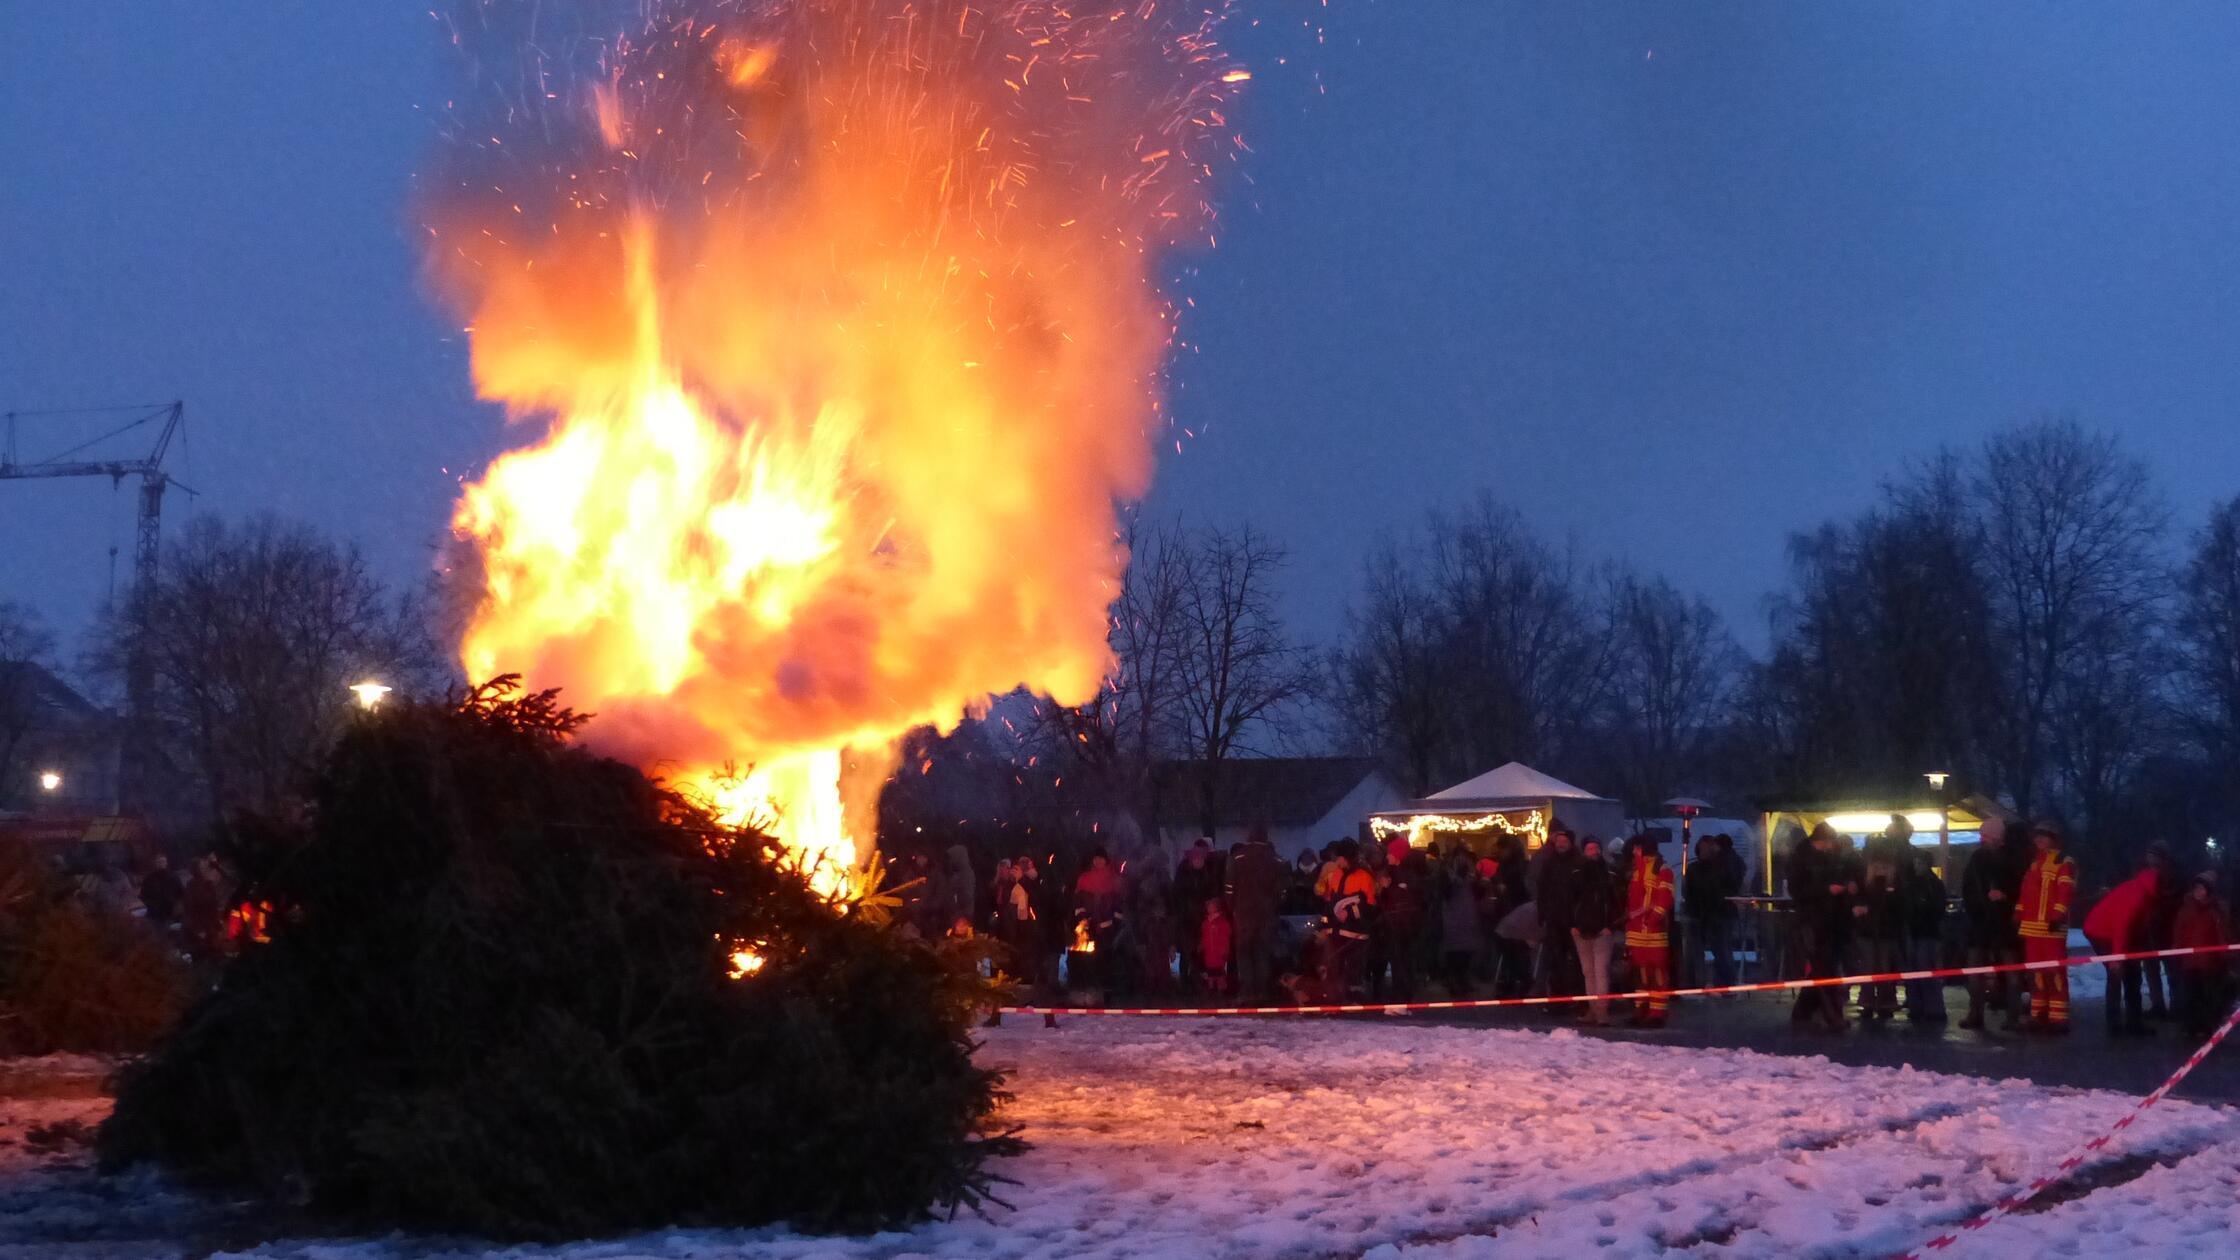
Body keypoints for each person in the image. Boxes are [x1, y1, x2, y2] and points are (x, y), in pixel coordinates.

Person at [2082, 857, 2164, 1036]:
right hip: (2100, 931)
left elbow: (2139, 926)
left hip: (2115, 932)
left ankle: (2134, 1022)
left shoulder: (2145, 892)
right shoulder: (2137, 894)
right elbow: (2122, 925)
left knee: (2133, 974)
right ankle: (2115, 1025)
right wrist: (2116, 958)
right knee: (2116, 974)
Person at [1958, 816, 2025, 1030]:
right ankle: (1980, 1013)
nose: (1982, 838)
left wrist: (2004, 898)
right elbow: (1968, 889)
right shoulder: (1995, 858)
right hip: (1988, 922)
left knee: (2003, 971)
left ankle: (2008, 1015)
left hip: (1999, 923)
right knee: (1979, 971)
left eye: (1986, 835)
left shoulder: (2009, 858)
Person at [2017, 821, 2079, 1034]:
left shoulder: (2063, 861)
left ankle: (2058, 1016)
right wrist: (2019, 912)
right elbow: (2026, 891)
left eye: (2043, 836)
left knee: (2054, 972)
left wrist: (2058, 915)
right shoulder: (2035, 863)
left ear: (2053, 838)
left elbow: (2065, 890)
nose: (2038, 840)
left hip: (2051, 927)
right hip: (2032, 927)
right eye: (2037, 837)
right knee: (2036, 973)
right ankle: (2038, 1013)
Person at [1789, 823, 1851, 1031]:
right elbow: (1797, 890)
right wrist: (1826, 890)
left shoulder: (1820, 857)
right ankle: (1832, 1016)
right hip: (1811, 919)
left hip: (1826, 918)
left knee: (1822, 968)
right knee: (1824, 968)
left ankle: (1803, 1011)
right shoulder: (1802, 859)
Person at [2170, 875, 2233, 1039]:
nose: (2198, 891)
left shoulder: (2215, 910)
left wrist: (2224, 952)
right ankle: (2191, 1026)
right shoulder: (2185, 909)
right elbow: (2179, 932)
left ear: (2208, 891)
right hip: (2190, 962)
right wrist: (2177, 950)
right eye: (2196, 888)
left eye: (2202, 888)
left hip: (2209, 961)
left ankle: (2207, 1026)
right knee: (2190, 995)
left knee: (2208, 996)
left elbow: (2221, 933)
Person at [1855, 828, 1908, 1022]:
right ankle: (1879, 1002)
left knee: (1879, 967)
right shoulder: (1884, 880)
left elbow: (1897, 904)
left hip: (1881, 929)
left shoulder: (1874, 879)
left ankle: (1877, 1002)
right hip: (1875, 929)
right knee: (1874, 967)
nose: (1880, 869)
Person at [1624, 834, 1677, 1027]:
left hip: (1654, 932)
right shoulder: (1636, 870)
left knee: (1657, 972)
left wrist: (1653, 920)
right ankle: (1641, 1009)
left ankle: (1657, 1013)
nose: (1633, 852)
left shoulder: (1663, 870)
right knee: (1640, 973)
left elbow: (1665, 899)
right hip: (1636, 931)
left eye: (1636, 848)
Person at [1569, 836, 1622, 1025]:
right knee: (1588, 972)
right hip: (1581, 929)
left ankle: (1602, 1011)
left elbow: (1616, 901)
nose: (1594, 852)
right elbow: (1570, 901)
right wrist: (1572, 925)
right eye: (1590, 848)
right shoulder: (1576, 873)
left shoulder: (1609, 873)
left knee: (1601, 971)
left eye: (1596, 848)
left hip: (1602, 929)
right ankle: (1593, 1008)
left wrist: (1611, 925)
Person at [1228, 824, 1283, 1003]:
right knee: (1262, 950)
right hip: (1267, 912)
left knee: (1244, 951)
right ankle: (1262, 989)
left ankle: (1247, 990)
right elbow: (1283, 888)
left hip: (1244, 911)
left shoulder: (1238, 858)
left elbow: (1229, 887)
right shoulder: (1276, 859)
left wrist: (1232, 907)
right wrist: (1275, 904)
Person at [1682, 834, 1744, 988]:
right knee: (1696, 952)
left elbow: (1730, 885)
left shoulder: (1723, 865)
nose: (1705, 851)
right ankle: (1696, 984)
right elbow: (1687, 891)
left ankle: (1724, 983)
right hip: (1700, 914)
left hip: (1719, 913)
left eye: (1708, 848)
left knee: (1722, 951)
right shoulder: (1695, 868)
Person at [1533, 827, 1583, 1001]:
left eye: (1564, 842)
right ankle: (1558, 999)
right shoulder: (1549, 863)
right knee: (1556, 960)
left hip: (1573, 919)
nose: (1561, 845)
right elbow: (1542, 890)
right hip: (1554, 918)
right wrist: (1543, 914)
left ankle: (1578, 998)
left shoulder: (1578, 863)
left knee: (1577, 961)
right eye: (1559, 842)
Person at [1900, 849, 1949, 1025]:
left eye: (1919, 862)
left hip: (1922, 931)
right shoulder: (1932, 883)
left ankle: (1921, 1007)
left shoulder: (1920, 884)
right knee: (1924, 970)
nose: (1916, 865)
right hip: (1925, 931)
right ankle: (1930, 1008)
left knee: (1919, 970)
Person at [1322, 842, 1377, 999]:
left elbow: (1370, 906)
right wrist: (1325, 925)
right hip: (1336, 933)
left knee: (1355, 970)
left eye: (1340, 858)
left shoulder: (1364, 877)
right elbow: (1329, 902)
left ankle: (1356, 1000)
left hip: (1356, 934)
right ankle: (1335, 1000)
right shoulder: (1336, 875)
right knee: (1334, 968)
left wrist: (1350, 914)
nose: (1337, 861)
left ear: (1347, 858)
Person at [1173, 839, 1223, 992]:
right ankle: (1185, 983)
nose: (1198, 861)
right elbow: (1177, 895)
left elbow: (1213, 891)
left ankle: (1201, 983)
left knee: (1203, 952)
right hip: (1186, 917)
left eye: (1200, 859)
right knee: (1187, 952)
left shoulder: (1210, 872)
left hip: (1204, 917)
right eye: (1195, 859)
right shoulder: (1183, 872)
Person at [1437, 845, 1481, 998]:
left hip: (1459, 914)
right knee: (1459, 950)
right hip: (1460, 913)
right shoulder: (1462, 874)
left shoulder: (1456, 874)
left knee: (1459, 950)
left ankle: (1458, 980)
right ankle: (1458, 980)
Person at [1200, 898, 1234, 998]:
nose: (1209, 908)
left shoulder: (1222, 922)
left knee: (1220, 973)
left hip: (1218, 953)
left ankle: (1221, 992)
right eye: (1208, 906)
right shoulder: (1206, 922)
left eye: (1211, 906)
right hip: (1209, 952)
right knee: (1210, 973)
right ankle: (1211, 991)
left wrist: (1224, 949)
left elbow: (1226, 936)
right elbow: (1204, 935)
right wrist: (1202, 945)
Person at [138, 855, 184, 929]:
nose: (161, 864)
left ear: (166, 863)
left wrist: (178, 905)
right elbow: (143, 895)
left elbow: (182, 893)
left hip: (171, 911)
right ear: (155, 864)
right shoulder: (149, 879)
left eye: (163, 861)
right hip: (155, 913)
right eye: (159, 862)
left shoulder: (174, 877)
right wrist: (152, 906)